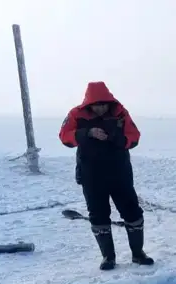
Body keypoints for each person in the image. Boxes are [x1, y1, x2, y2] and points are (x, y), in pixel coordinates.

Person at [58, 81, 154, 270]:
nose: (100, 108)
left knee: (132, 212)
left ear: (109, 102)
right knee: (98, 215)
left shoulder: (120, 113)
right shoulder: (76, 114)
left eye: (103, 104)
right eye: (96, 105)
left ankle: (138, 254)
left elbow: (134, 137)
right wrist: (87, 133)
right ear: (89, 104)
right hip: (91, 176)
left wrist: (117, 138)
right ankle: (108, 257)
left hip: (119, 173)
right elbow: (64, 136)